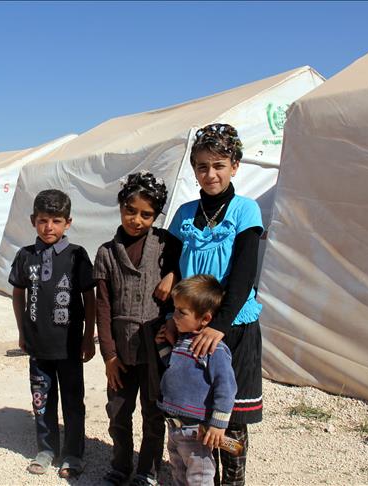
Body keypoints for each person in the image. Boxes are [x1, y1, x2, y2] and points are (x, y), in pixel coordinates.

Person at [166, 123, 264, 485]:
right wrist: (171, 318)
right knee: (197, 412)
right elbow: (171, 267)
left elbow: (244, 275)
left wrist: (219, 326)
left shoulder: (245, 211)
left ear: (235, 166)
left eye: (219, 165)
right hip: (191, 327)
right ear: (194, 169)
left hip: (232, 327)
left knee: (231, 418)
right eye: (203, 166)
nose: (211, 174)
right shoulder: (184, 214)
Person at [93, 171, 180, 486]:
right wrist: (109, 356)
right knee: (118, 411)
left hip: (156, 349)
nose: (137, 220)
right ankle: (120, 466)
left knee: (153, 412)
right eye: (130, 211)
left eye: (146, 214)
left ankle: (147, 471)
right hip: (121, 350)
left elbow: (184, 269)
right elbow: (103, 307)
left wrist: (172, 274)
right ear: (120, 207)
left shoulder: (166, 244)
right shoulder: (106, 253)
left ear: (156, 216)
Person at [9, 189, 96, 479]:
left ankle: (73, 453)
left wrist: (88, 336)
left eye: (56, 221)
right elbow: (18, 293)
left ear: (67, 223)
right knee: (41, 399)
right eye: (43, 220)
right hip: (38, 345)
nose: (49, 227)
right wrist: (22, 330)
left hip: (69, 345)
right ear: (33, 220)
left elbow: (89, 298)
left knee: (73, 400)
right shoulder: (25, 256)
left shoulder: (76, 255)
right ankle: (46, 449)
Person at [156, 275, 236, 486]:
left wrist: (218, 424)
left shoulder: (214, 350)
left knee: (199, 477)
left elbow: (226, 388)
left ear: (206, 318)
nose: (174, 316)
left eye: (181, 312)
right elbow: (175, 368)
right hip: (174, 427)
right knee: (179, 473)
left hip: (196, 431)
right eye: (175, 309)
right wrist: (162, 346)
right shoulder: (182, 340)